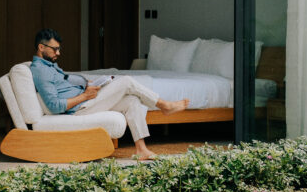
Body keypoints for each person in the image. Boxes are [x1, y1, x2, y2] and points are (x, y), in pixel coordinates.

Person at [29, 28, 189, 161]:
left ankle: (141, 149)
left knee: (132, 100)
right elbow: (54, 105)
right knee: (126, 81)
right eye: (54, 49)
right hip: (80, 108)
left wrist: (88, 85)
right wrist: (85, 96)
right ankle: (164, 105)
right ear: (41, 47)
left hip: (85, 101)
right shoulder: (41, 71)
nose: (58, 53)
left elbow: (65, 84)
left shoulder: (49, 66)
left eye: (59, 49)